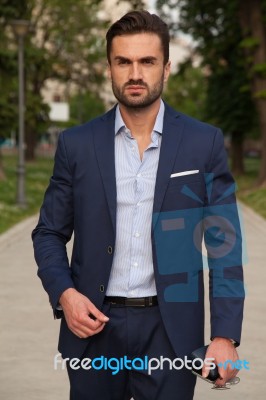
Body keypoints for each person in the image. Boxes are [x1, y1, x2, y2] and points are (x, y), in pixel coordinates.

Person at [32, 10, 245, 400]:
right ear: (109, 68)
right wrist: (65, 294)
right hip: (93, 327)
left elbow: (224, 244)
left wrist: (225, 334)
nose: (135, 73)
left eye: (146, 61)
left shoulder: (204, 143)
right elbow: (48, 232)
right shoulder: (77, 145)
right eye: (123, 61)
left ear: (165, 68)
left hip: (171, 332)